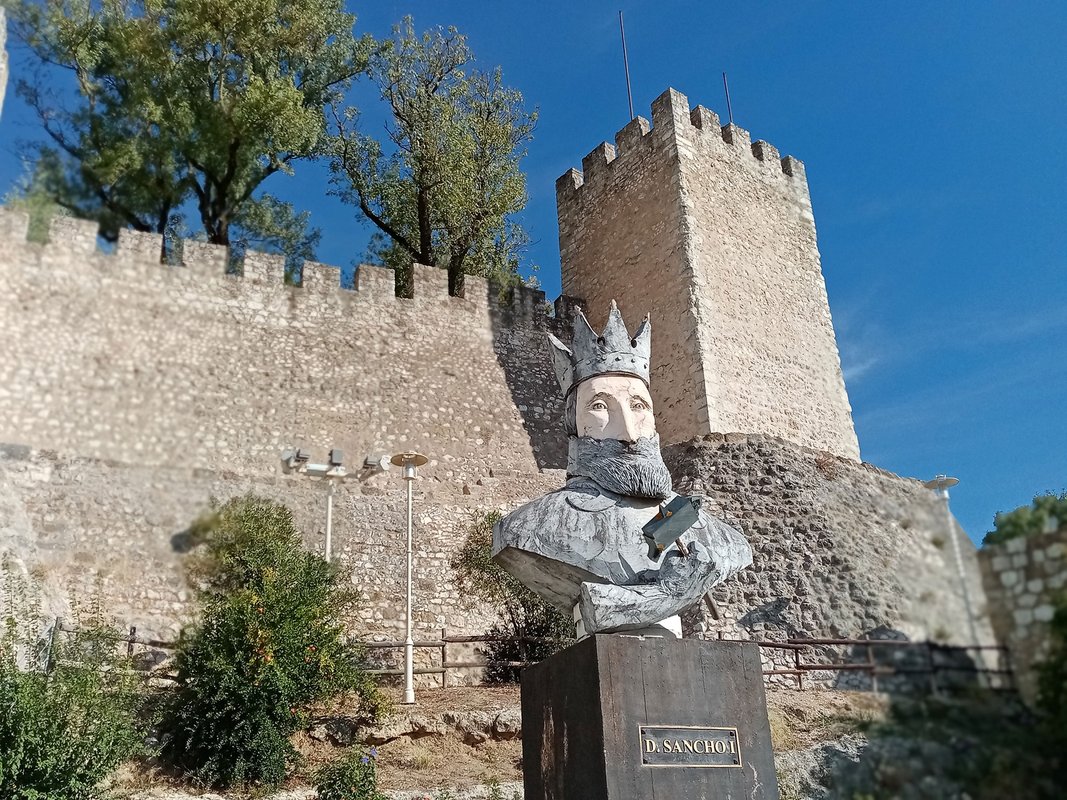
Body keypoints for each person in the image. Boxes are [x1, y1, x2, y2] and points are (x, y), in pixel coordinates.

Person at [492, 301, 752, 637]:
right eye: (600, 406)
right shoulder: (532, 527)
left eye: (638, 405)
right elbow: (592, 606)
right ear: (574, 425)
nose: (629, 432)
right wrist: (669, 594)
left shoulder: (709, 531)